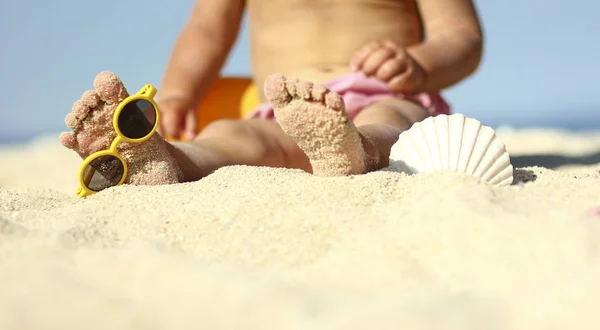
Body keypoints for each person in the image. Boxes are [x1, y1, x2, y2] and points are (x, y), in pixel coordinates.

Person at [59, 0, 483, 186]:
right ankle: (170, 161)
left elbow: (461, 35)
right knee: (238, 135)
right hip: (288, 107)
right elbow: (207, 30)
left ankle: (360, 149)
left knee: (391, 119)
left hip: (387, 88)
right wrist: (177, 95)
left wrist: (420, 63)